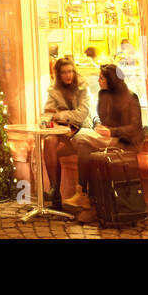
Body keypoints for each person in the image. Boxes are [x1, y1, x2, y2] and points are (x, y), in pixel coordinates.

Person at [41, 56, 95, 212]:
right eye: (64, 72)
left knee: (53, 150)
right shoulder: (54, 91)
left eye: (71, 71)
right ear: (58, 74)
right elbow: (48, 113)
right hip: (64, 131)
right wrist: (45, 120)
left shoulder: (83, 88)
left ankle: (61, 194)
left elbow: (81, 115)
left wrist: (60, 115)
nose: (68, 75)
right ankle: (55, 190)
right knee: (49, 140)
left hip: (81, 131)